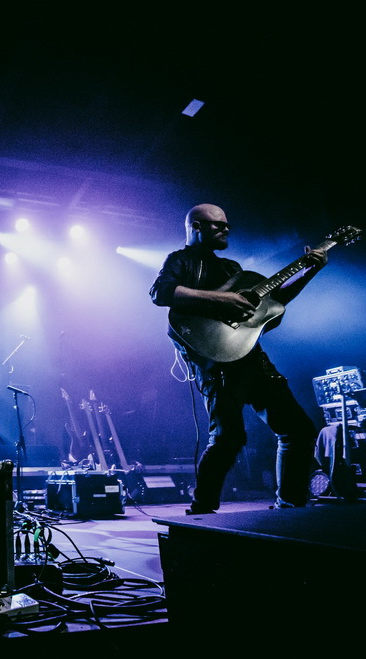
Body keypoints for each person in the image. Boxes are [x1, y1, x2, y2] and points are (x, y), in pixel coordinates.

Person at [149, 204, 327, 514]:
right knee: (228, 438)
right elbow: (160, 293)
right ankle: (202, 508)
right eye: (217, 225)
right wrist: (223, 298)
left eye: (227, 224)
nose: (226, 229)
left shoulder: (232, 268)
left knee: (298, 430)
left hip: (252, 358)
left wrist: (309, 272)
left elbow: (274, 302)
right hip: (216, 364)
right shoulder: (180, 260)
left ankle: (291, 506)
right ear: (196, 227)